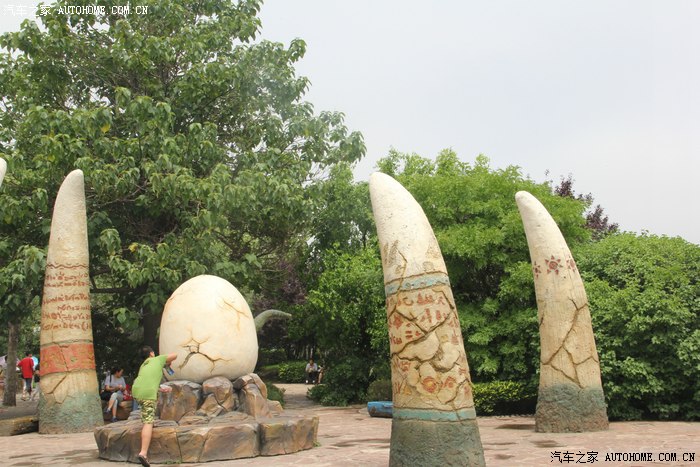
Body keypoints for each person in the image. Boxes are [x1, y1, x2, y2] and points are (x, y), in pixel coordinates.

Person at [132, 346, 177, 467]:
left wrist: (161, 389)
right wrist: (166, 361)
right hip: (147, 394)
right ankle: (143, 453)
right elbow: (175, 355)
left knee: (146, 413)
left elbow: (147, 382)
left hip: (137, 392)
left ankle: (147, 421)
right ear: (151, 353)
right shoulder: (157, 359)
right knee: (148, 422)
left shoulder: (143, 365)